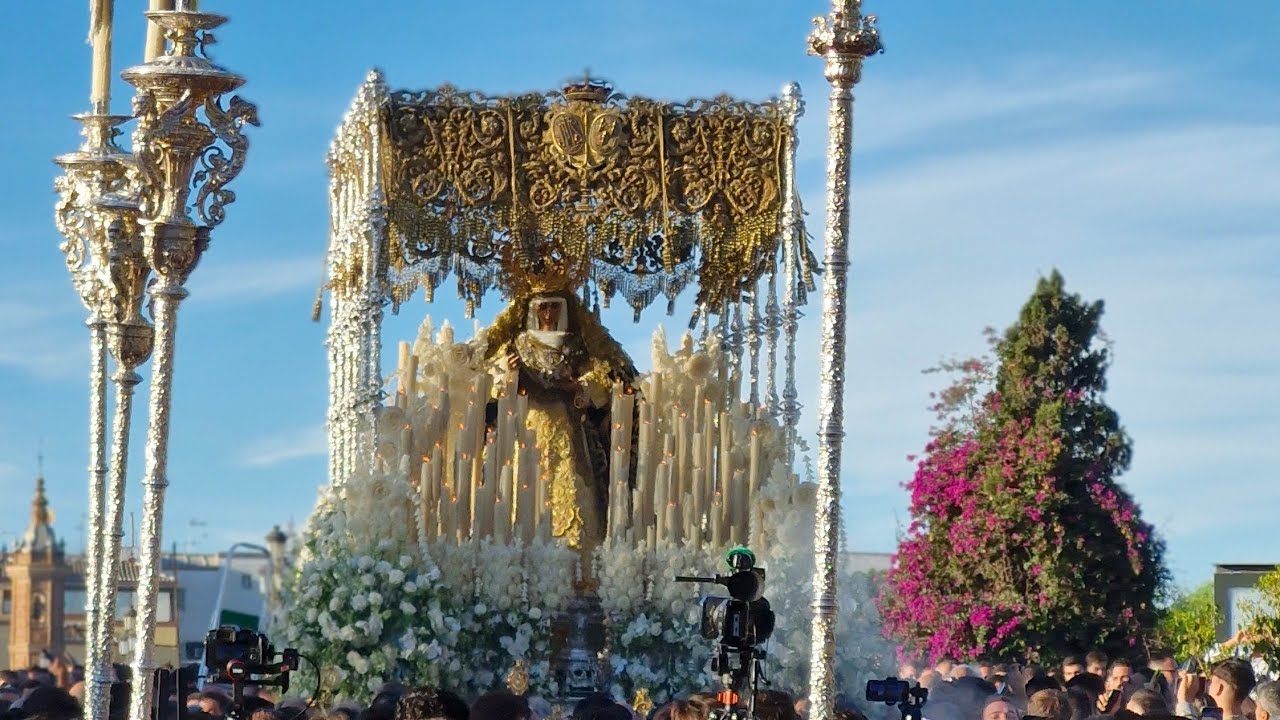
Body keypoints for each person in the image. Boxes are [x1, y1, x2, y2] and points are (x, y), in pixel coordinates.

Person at [486, 291, 637, 550]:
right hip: (528, 424)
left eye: (554, 308)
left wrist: (580, 388)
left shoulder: (577, 346)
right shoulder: (518, 345)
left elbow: (601, 379)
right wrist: (507, 375)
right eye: (543, 308)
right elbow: (491, 383)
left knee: (575, 485)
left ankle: (578, 556)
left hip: (569, 425)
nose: (548, 315)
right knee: (525, 484)